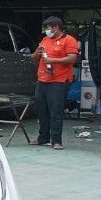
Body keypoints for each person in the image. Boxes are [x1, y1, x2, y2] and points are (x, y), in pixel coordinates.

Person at [30, 16, 79, 149]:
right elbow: (34, 58)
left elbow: (72, 58)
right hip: (42, 80)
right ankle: (43, 138)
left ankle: (56, 141)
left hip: (58, 80)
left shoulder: (68, 40)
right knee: (41, 110)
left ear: (56, 27)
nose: (46, 30)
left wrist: (53, 60)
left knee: (55, 111)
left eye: (48, 27)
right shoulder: (45, 40)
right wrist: (36, 52)